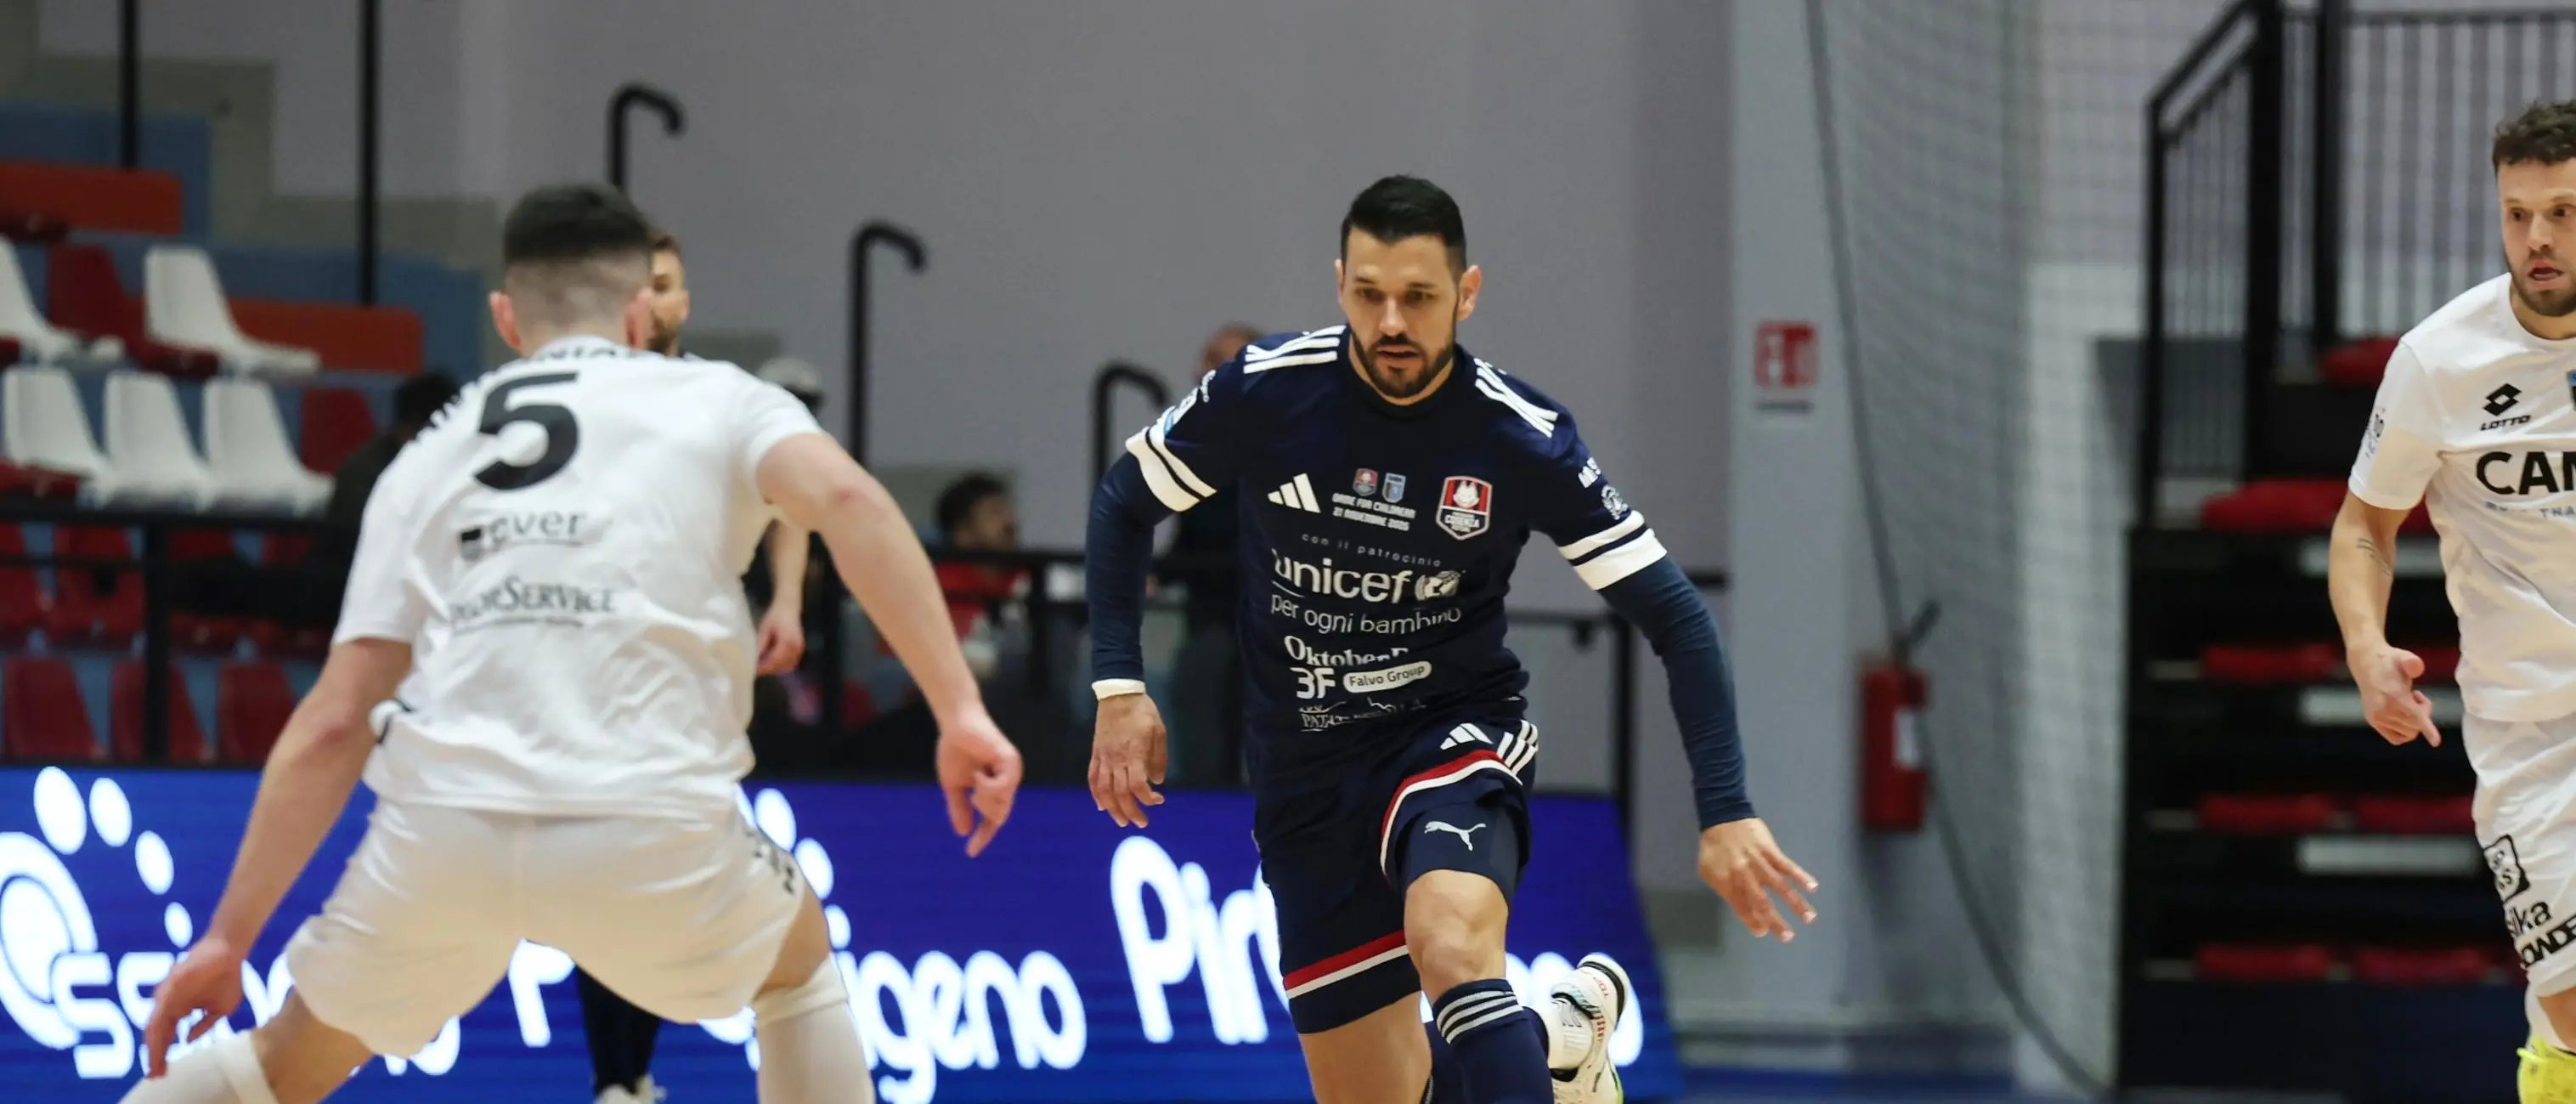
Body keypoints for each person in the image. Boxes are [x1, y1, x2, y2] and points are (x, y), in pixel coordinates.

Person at [124, 183, 1022, 1104]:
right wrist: (958, 711)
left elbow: (335, 720)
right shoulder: (718, 397)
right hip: (644, 822)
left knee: (276, 1071)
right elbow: (851, 504)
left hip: (446, 830)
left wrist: (227, 940)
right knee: (794, 968)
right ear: (642, 312)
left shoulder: (427, 454)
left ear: (507, 319)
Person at [1085, 176, 1814, 1104]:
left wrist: (1725, 807)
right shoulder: (1267, 392)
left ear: (1465, 294)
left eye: (1418, 298)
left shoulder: (1518, 436)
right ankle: (1558, 1037)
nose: (1391, 321)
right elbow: (1123, 503)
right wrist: (1119, 687)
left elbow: (1674, 614)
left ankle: (1538, 1039)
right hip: (1302, 772)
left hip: (1447, 735)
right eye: (1368, 294)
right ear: (1340, 282)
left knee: (1451, 944)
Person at [2331, 101, 2576, 1101]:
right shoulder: (2439, 361)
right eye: (2516, 214)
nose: (2537, 239)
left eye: (2561, 211)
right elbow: (2361, 527)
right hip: (2531, 734)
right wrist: (2362, 644)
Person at [568, 224, 822, 1104]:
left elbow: (801, 499)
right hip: (593, 668)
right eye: (649, 283)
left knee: (663, 872)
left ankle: (631, 1074)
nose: (662, 299)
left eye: (672, 282)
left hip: (695, 676)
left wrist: (786, 599)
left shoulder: (722, 398)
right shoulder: (575, 396)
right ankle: (618, 1081)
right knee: (604, 877)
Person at [1165, 323, 1263, 785]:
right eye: (1208, 359)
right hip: (1209, 620)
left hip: (1266, 629)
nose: (1210, 371)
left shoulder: (1282, 445)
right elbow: (1193, 536)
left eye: (1226, 361)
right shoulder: (1196, 446)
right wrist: (1158, 574)